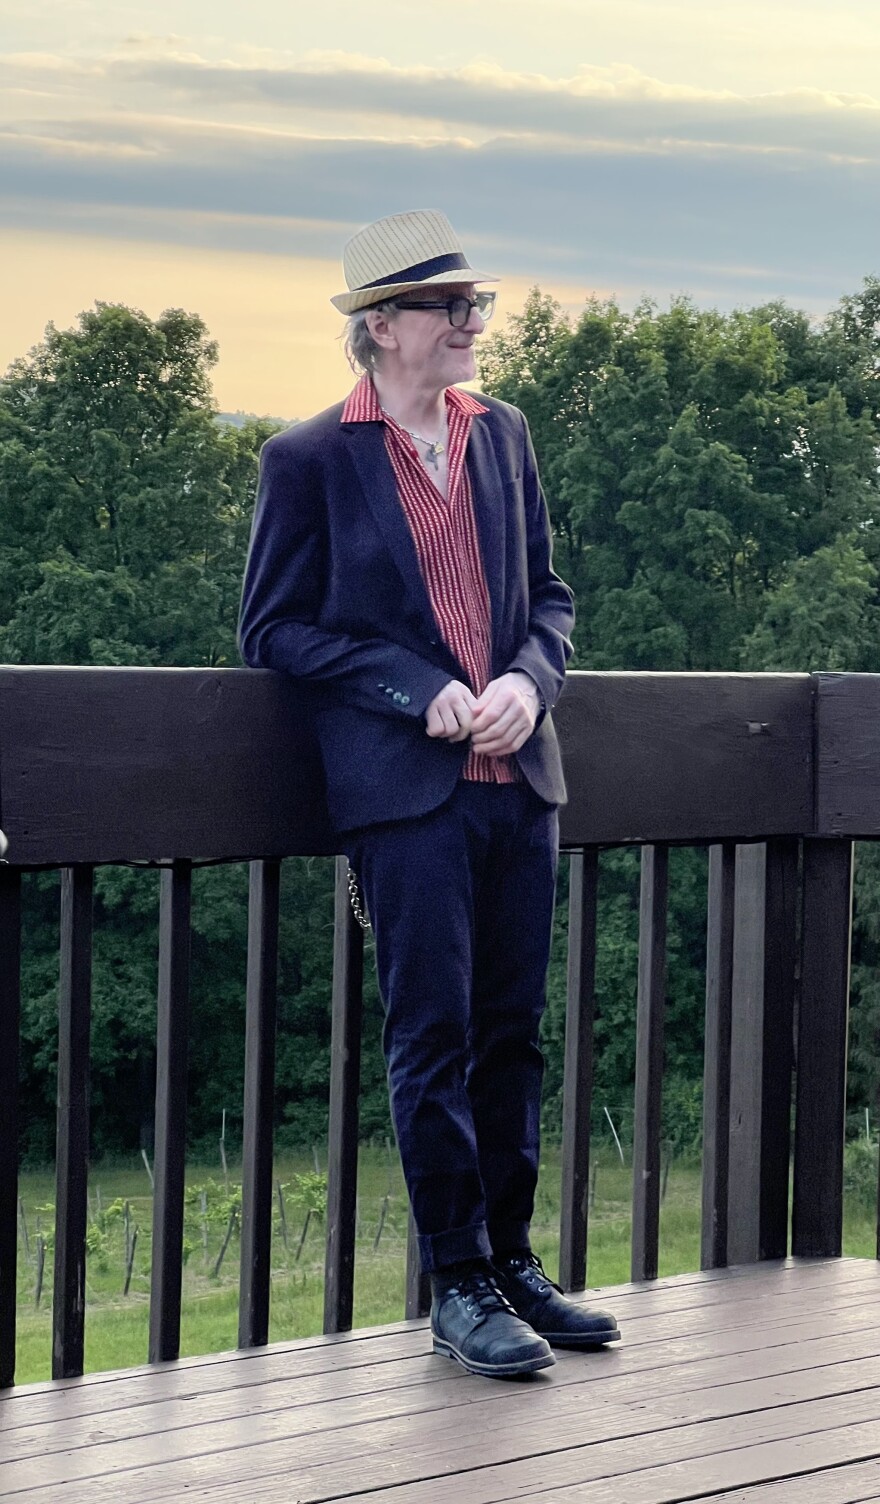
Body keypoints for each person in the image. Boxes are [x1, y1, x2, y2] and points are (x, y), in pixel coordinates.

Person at [239, 209, 619, 1377]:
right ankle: (456, 1281)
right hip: (408, 798)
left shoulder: (502, 434)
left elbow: (549, 599)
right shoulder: (306, 459)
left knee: (513, 1035)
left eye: (475, 305)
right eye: (449, 307)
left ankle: (511, 1262)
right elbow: (272, 626)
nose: (471, 322)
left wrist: (525, 680)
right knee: (433, 1037)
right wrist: (417, 691)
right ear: (381, 327)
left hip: (522, 785)